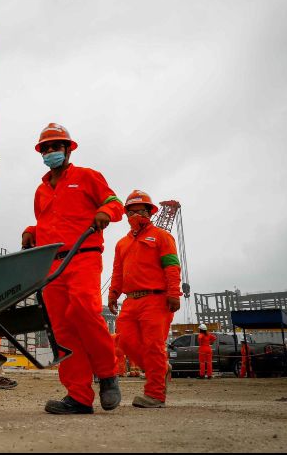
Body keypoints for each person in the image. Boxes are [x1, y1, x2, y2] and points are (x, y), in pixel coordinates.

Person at [21, 123, 124, 415]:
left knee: (84, 310)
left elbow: (113, 201)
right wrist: (31, 231)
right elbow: (48, 223)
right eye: (46, 148)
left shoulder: (87, 177)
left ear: (68, 149)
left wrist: (105, 212)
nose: (51, 151)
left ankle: (107, 374)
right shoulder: (41, 191)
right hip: (51, 264)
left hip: (83, 255)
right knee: (61, 329)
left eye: (56, 147)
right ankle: (78, 396)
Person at [108, 190, 182, 408]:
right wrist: (113, 293)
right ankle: (160, 369)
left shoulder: (162, 236)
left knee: (153, 346)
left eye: (141, 211)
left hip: (156, 300)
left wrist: (174, 293)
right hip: (130, 301)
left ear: (150, 213)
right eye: (131, 211)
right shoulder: (122, 243)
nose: (136, 215)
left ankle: (155, 395)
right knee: (125, 342)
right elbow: (118, 271)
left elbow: (171, 266)